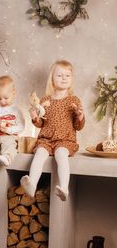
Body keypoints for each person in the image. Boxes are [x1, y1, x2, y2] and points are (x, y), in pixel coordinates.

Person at [21, 60, 85, 201]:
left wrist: (80, 115)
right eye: (59, 75)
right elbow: (41, 123)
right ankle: (32, 184)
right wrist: (35, 118)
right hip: (46, 139)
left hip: (65, 140)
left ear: (72, 79)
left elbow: (78, 126)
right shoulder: (45, 100)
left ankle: (63, 188)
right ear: (52, 79)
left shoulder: (73, 100)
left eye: (67, 76)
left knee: (61, 155)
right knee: (39, 154)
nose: (63, 78)